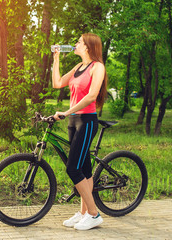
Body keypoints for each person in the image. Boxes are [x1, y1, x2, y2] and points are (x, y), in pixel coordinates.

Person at [52, 33, 108, 230]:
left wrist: (66, 112)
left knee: (72, 168)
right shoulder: (78, 68)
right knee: (84, 169)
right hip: (73, 121)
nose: (75, 44)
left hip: (86, 121)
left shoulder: (97, 67)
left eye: (78, 42)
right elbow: (57, 82)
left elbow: (92, 96)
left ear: (87, 47)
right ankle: (83, 212)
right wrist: (56, 59)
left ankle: (94, 214)